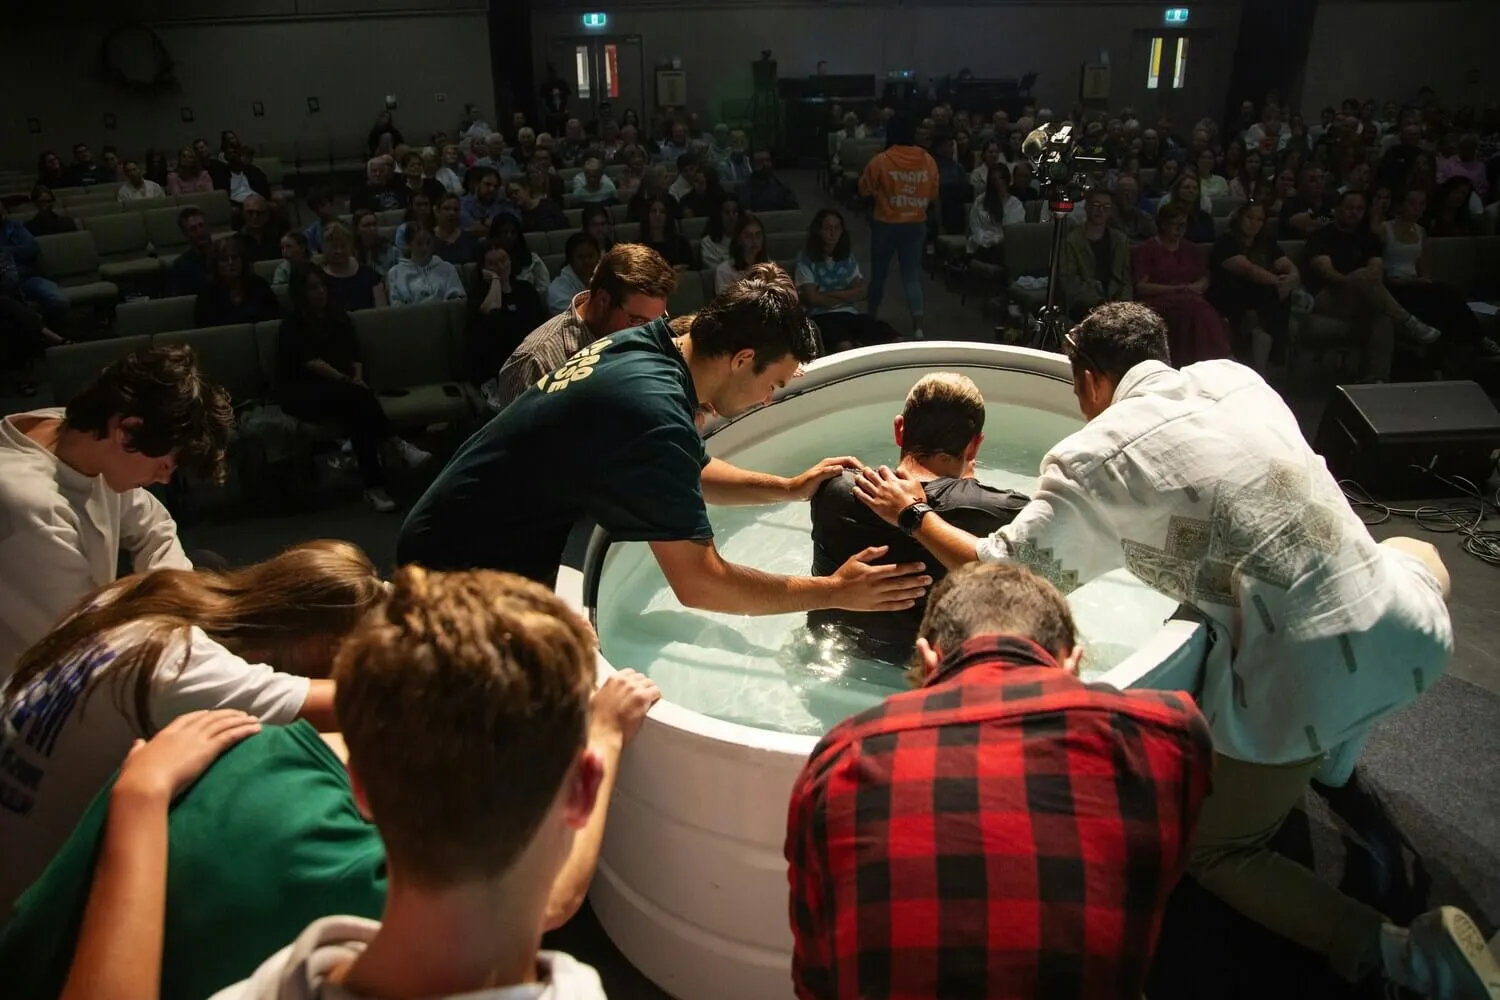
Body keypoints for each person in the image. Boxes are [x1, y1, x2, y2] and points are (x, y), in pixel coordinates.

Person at [851, 301, 1496, 1000]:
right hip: (1411, 630)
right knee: (1414, 550)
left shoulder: (1092, 457)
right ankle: (1337, 761)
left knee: (1216, 850)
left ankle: (1405, 955)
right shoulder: (1235, 379)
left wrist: (911, 514)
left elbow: (1003, 570)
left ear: (1089, 379)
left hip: (1307, 682)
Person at [787, 560, 1214, 999]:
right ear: (1072, 663)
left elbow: (814, 976)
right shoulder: (1163, 733)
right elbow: (1153, 896)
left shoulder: (844, 756)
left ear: (930, 660)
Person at [400, 267, 930, 616]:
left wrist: (788, 487)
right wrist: (835, 592)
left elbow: (687, 467)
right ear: (743, 358)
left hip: (451, 536)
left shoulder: (645, 347)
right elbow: (701, 584)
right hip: (454, 576)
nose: (769, 400)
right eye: (773, 384)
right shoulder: (653, 414)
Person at [0, 541, 382, 910]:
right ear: (320, 646)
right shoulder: (186, 669)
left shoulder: (142, 597)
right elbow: (369, 698)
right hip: (27, 917)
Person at [0, 346, 232, 678]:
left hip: (94, 634)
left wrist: (177, 594)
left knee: (207, 567)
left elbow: (154, 525)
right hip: (43, 684)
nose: (164, 479)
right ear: (127, 430)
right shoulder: (25, 502)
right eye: (164, 465)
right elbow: (87, 639)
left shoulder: (84, 437)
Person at [808, 374, 1028, 662]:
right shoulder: (1001, 513)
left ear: (899, 429)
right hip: (926, 669)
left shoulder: (831, 488)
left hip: (829, 650)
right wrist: (970, 489)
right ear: (974, 446)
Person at [494, 244, 676, 411]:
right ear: (603, 300)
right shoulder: (534, 361)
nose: (648, 333)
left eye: (658, 321)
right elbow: (519, 437)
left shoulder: (649, 339)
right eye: (639, 321)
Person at [1305, 188, 1438, 381]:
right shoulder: (1321, 236)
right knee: (1361, 277)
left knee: (1383, 320)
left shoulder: (1368, 238)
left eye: (1359, 208)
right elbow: (1328, 273)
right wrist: (1357, 281)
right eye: (1349, 207)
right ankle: (1408, 321)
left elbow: (1376, 269)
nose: (1354, 212)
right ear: (1337, 209)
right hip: (1327, 297)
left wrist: (1365, 282)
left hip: (1361, 298)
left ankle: (1376, 380)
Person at [1383, 187, 1500, 360]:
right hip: (1394, 286)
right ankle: (1476, 341)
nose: (1417, 209)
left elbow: (1424, 267)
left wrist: (1424, 280)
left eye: (1421, 204)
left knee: (1445, 294)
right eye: (1412, 203)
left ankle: (1477, 340)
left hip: (1415, 285)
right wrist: (1405, 281)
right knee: (1442, 297)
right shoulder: (1385, 229)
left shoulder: (1420, 231)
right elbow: (1379, 267)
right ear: (1401, 204)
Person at [858, 117, 938, 339]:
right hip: (916, 224)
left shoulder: (881, 160)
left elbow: (864, 189)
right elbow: (933, 193)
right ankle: (918, 326)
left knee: (879, 275)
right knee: (911, 277)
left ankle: (871, 315)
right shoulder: (928, 160)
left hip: (885, 224)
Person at [1131, 202, 1231, 366]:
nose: (1179, 229)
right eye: (1174, 224)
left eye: (1183, 225)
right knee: (1195, 310)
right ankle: (1218, 358)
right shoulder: (1147, 249)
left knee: (1199, 309)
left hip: (1190, 299)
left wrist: (1196, 286)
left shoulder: (1189, 248)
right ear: (1163, 224)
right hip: (1159, 300)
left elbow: (1204, 278)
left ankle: (1213, 360)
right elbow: (1142, 286)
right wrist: (1177, 288)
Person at [1209, 201, 1300, 371]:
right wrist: (1278, 281)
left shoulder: (1266, 242)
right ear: (1239, 218)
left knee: (1278, 293)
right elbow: (1247, 269)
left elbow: (1285, 263)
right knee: (1268, 290)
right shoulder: (1226, 241)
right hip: (1229, 296)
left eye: (1259, 219)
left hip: (1260, 297)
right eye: (1249, 217)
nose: (1254, 223)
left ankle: (1270, 345)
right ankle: (1275, 353)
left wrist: (1293, 276)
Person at [795, 208, 888, 352]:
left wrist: (827, 294)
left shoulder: (847, 257)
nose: (833, 233)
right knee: (845, 346)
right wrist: (847, 295)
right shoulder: (806, 260)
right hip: (822, 316)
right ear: (819, 231)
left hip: (850, 313)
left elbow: (862, 292)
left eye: (837, 228)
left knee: (890, 338)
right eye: (828, 228)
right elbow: (813, 299)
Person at [466, 239, 546, 386]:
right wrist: (495, 280)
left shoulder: (526, 289)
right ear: (483, 268)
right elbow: (492, 311)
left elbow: (541, 325)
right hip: (495, 364)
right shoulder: (478, 295)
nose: (501, 266)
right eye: (493, 264)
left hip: (529, 357)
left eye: (504, 260)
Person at [1059, 189, 1132, 319]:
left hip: (1116, 304)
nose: (1101, 210)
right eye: (1096, 205)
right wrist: (1099, 304)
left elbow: (1125, 279)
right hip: (1085, 305)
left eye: (1106, 206)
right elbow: (1070, 282)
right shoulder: (1071, 241)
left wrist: (1125, 305)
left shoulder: (1120, 240)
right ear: (1087, 207)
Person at [0, 201, 69, 330]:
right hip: (3, 286)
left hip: (27, 277)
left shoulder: (15, 227)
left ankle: (51, 331)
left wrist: (5, 251)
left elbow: (32, 249)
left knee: (59, 300)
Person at [193, 236, 281, 327]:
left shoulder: (259, 285)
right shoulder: (207, 294)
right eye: (224, 259)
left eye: (234, 257)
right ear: (215, 264)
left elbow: (276, 317)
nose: (231, 262)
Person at [385, 224, 466, 306]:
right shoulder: (395, 273)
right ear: (409, 245)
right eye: (419, 244)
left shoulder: (447, 268)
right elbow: (396, 306)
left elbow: (458, 300)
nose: (425, 248)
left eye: (428, 243)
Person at [317, 222, 387, 312]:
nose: (339, 251)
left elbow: (382, 312)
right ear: (324, 247)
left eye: (343, 246)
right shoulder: (319, 277)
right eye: (334, 247)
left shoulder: (369, 274)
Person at [966, 164, 1024, 264]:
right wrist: (991, 241)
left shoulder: (1015, 204)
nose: (998, 183)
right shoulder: (980, 201)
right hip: (982, 245)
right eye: (994, 180)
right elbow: (976, 229)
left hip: (1005, 246)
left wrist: (998, 240)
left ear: (1007, 180)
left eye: (1001, 179)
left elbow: (1013, 231)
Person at [547, 231, 601, 315]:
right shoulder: (558, 287)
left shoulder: (608, 278)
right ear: (570, 260)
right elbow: (569, 317)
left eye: (590, 256)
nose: (587, 261)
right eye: (581, 257)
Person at [714, 211, 770, 293]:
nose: (754, 241)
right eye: (749, 236)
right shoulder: (724, 271)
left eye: (758, 235)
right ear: (739, 239)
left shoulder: (769, 267)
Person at [640, 195, 694, 269]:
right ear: (647, 215)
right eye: (653, 211)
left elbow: (692, 268)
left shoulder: (681, 243)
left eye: (662, 212)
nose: (658, 215)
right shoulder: (638, 245)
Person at [350, 209, 399, 276]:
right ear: (357, 230)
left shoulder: (391, 250)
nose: (372, 229)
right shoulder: (350, 251)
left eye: (374, 224)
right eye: (366, 226)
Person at [700, 194, 740, 271]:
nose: (731, 216)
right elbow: (716, 271)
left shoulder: (746, 238)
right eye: (727, 212)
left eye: (735, 212)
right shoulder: (708, 243)